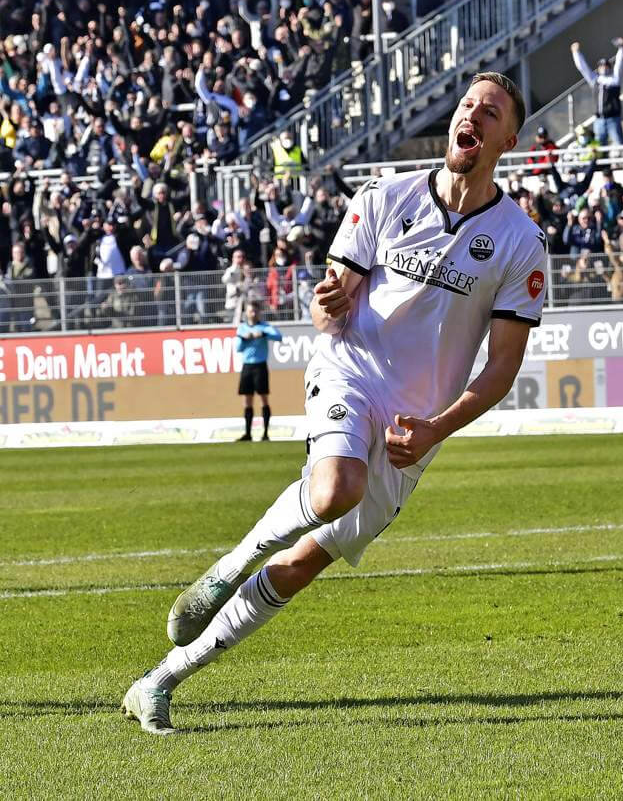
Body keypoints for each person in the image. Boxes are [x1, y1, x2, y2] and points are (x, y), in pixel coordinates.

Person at [121, 72, 547, 735]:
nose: (473, 115)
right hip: (352, 372)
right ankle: (229, 567)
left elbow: (501, 369)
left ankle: (158, 680)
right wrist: (326, 303)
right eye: (467, 104)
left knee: (301, 564)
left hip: (417, 425)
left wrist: (435, 428)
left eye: (488, 112)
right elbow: (335, 297)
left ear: (507, 139)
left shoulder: (521, 241)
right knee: (334, 488)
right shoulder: (385, 195)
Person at [235, 302, 284, 443]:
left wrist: (262, 334)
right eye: (251, 311)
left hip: (260, 366)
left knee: (264, 399)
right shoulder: (243, 328)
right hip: (247, 367)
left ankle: (266, 433)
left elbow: (278, 336)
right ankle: (248, 433)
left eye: (256, 311)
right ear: (247, 313)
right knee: (247, 401)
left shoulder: (264, 326)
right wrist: (246, 337)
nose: (253, 314)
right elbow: (238, 347)